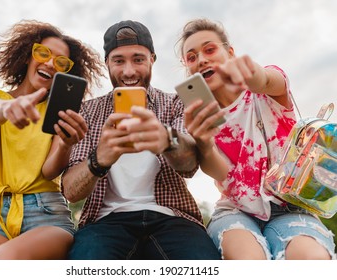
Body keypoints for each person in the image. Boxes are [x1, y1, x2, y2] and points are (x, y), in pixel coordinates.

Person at [61, 20, 228, 260]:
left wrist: (166, 140)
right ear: (107, 63)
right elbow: (71, 191)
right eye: (119, 61)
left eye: (138, 59)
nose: (129, 71)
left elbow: (190, 166)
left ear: (152, 59)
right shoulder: (87, 111)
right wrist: (98, 160)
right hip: (105, 222)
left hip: (173, 218)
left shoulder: (176, 103)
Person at [176, 18, 336, 260]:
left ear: (230, 53)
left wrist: (253, 74)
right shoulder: (201, 116)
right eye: (192, 57)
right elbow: (221, 173)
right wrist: (204, 142)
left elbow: (268, 80)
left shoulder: (264, 91)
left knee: (311, 259)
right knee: (248, 260)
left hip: (290, 207)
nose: (201, 60)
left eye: (210, 50)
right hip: (235, 211)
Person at [0, 20, 105, 260]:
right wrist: (9, 108)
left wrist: (64, 144)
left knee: (4, 260)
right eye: (43, 53)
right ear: (27, 55)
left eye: (61, 62)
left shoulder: (59, 112)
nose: (51, 63)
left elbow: (49, 172)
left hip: (46, 214)